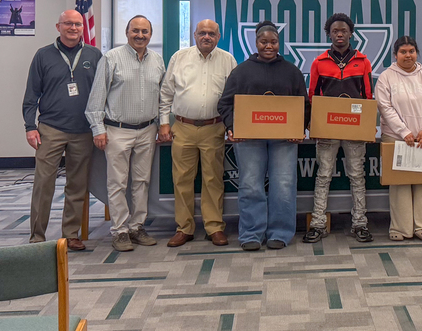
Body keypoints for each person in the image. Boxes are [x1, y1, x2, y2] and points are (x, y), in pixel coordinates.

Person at [218, 21, 308, 251]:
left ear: (279, 43)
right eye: (263, 41)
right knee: (250, 186)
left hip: (284, 140)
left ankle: (280, 232)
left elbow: (304, 104)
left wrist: (300, 128)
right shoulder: (241, 71)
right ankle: (251, 233)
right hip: (249, 139)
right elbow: (225, 103)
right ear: (256, 43)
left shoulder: (292, 71)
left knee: (284, 185)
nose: (269, 46)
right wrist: (231, 126)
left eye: (273, 42)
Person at [22, 10, 102, 251]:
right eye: (68, 23)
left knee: (77, 185)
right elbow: (31, 94)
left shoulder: (94, 55)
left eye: (78, 24)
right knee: (43, 183)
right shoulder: (43, 55)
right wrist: (29, 126)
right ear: (58, 26)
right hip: (51, 129)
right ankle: (37, 236)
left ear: (83, 28)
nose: (73, 28)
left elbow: (103, 94)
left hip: (83, 131)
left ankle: (71, 234)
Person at [85, 15, 166, 252]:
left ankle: (137, 227)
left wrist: (162, 124)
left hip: (147, 131)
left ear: (151, 34)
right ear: (127, 32)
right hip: (117, 131)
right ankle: (120, 231)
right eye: (135, 31)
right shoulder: (112, 58)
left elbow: (162, 98)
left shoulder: (158, 60)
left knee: (142, 182)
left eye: (145, 31)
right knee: (117, 183)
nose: (140, 35)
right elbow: (96, 98)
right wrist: (98, 129)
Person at [159, 20, 237, 248]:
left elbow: (234, 98)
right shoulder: (179, 58)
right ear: (194, 35)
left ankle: (214, 227)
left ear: (218, 36)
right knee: (182, 179)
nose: (206, 37)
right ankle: (184, 228)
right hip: (182, 127)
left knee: (213, 179)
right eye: (202, 33)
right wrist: (164, 123)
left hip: (215, 127)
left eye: (211, 33)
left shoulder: (227, 60)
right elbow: (166, 94)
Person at [304, 13, 374, 244]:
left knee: (357, 176)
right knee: (323, 175)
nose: (340, 34)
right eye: (335, 31)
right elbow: (312, 96)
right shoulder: (319, 62)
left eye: (344, 30)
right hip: (327, 129)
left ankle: (360, 223)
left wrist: (368, 127)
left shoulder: (363, 61)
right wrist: (314, 125)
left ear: (351, 33)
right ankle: (317, 224)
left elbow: (367, 96)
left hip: (355, 129)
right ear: (329, 33)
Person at [375, 36, 422, 241]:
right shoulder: (386, 77)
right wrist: (404, 132)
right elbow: (385, 108)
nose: (408, 55)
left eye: (411, 51)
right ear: (395, 55)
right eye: (403, 52)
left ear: (417, 53)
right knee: (400, 185)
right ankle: (400, 228)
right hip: (395, 138)